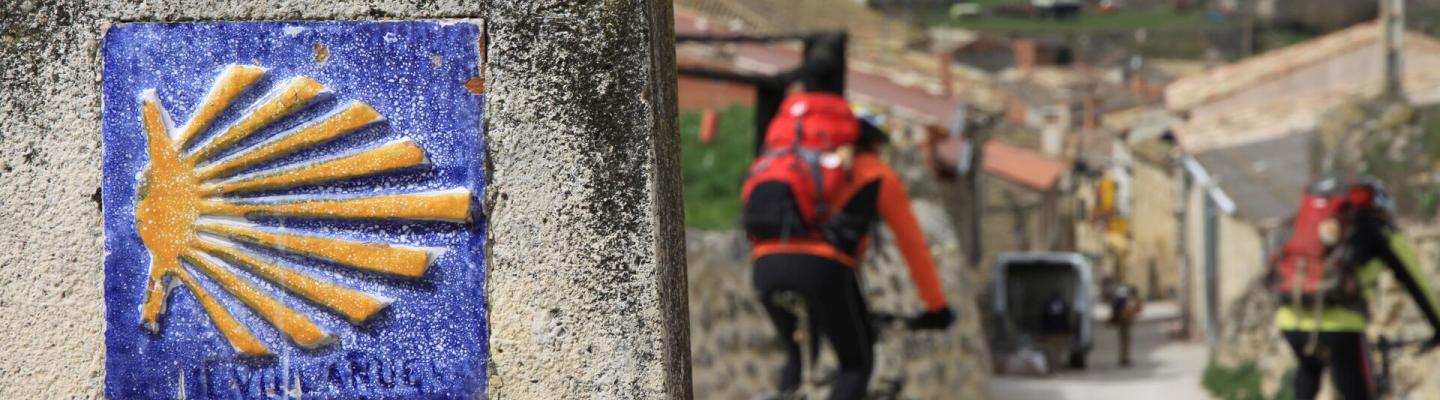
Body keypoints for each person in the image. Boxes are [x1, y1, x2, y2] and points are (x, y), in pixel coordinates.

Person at [750, 113, 955, 400]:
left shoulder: (805, 169)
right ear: (875, 144)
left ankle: (788, 390)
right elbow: (913, 246)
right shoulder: (874, 172)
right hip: (824, 267)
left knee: (797, 356)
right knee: (855, 364)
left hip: (766, 263)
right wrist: (937, 307)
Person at [1271, 176, 1440, 400]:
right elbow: (1417, 283)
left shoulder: (1308, 225)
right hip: (1341, 326)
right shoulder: (1380, 232)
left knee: (1309, 370)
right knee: (1357, 393)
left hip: (1292, 319)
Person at [1038, 290, 1072, 368]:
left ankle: (1055, 363)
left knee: (1054, 349)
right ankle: (1056, 363)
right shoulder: (1062, 305)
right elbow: (1066, 319)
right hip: (1056, 332)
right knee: (1056, 349)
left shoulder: (1048, 305)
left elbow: (1043, 319)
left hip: (1054, 332)